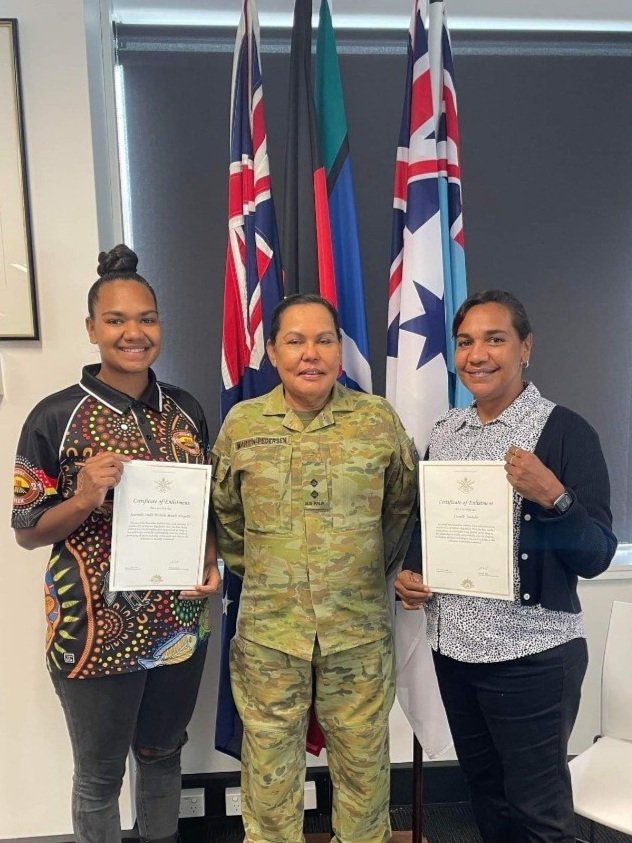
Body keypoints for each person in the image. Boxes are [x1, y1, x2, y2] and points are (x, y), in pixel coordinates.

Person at [12, 245, 220, 843]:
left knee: (161, 754)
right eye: (116, 320)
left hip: (178, 620)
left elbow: (201, 509)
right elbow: (27, 529)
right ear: (92, 329)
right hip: (91, 627)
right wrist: (80, 498)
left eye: (147, 318)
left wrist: (209, 562)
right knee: (100, 775)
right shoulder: (56, 417)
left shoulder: (185, 410)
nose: (134, 332)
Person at [395, 289, 617, 843]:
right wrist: (412, 574)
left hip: (533, 657)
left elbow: (596, 554)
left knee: (539, 812)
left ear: (526, 348)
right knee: (486, 798)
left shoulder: (565, 432)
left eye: (495, 339)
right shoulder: (446, 433)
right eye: (466, 342)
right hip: (456, 651)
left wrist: (554, 497)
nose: (478, 354)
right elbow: (430, 527)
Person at [211, 293, 418, 843]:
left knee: (365, 778)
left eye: (324, 339)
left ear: (339, 350)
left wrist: (362, 576)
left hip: (357, 635)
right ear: (273, 352)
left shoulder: (377, 421)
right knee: (270, 783)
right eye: (296, 341)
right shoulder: (242, 425)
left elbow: (399, 514)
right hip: (270, 638)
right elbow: (227, 522)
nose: (311, 353)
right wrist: (270, 577)